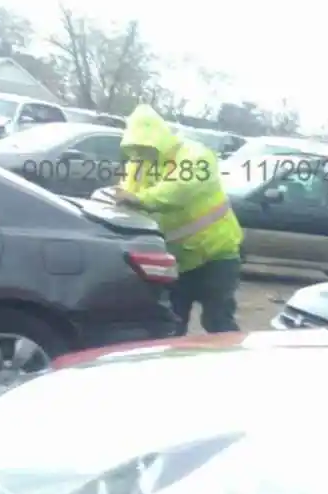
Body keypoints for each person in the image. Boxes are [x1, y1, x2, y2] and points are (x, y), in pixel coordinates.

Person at [103, 105, 244, 334]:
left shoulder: (195, 156)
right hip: (176, 259)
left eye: (144, 145)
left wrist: (138, 199)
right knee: (172, 324)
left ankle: (234, 365)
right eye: (136, 147)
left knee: (218, 322)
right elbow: (126, 194)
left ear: (158, 139)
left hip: (216, 255)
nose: (140, 152)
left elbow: (179, 190)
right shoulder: (139, 164)